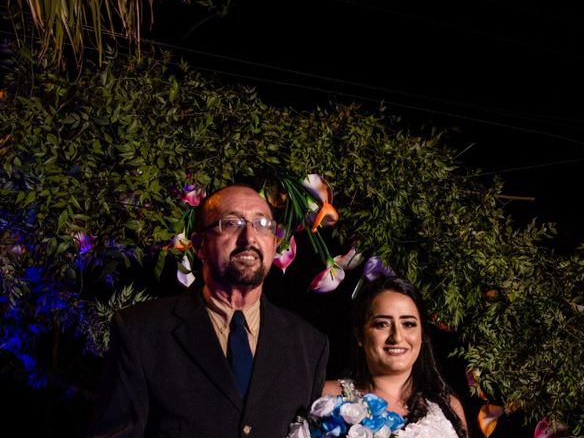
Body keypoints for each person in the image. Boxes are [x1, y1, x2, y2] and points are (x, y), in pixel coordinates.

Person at [86, 184, 329, 438]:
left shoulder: (309, 346)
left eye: (262, 225)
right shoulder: (142, 332)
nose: (249, 238)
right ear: (199, 244)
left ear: (274, 243)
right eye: (232, 223)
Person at [322, 276, 468, 437]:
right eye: (382, 324)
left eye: (408, 324)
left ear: (422, 335)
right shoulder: (329, 398)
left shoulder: (448, 407)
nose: (397, 337)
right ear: (359, 336)